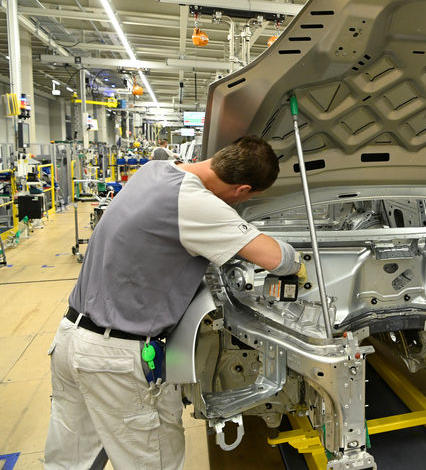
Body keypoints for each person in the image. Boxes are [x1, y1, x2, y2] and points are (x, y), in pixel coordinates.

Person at [45, 135, 306, 470]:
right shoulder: (195, 204)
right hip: (115, 360)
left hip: (71, 338)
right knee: (155, 460)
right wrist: (299, 265)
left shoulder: (154, 170)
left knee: (71, 459)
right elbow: (275, 258)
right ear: (242, 191)